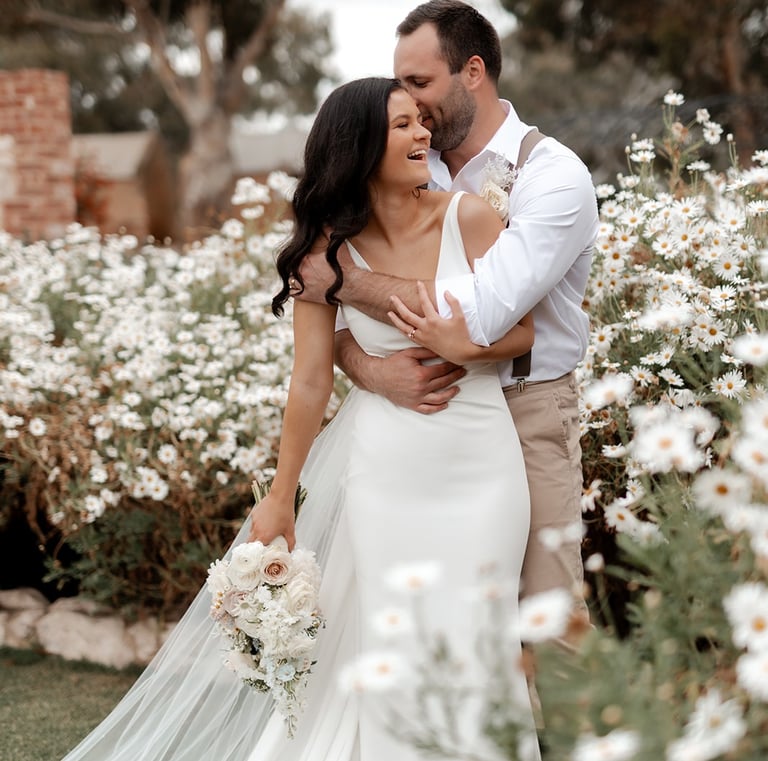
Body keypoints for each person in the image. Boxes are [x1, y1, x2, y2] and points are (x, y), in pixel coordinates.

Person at [58, 78, 539, 761]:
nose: (423, 135)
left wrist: (461, 343)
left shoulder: (472, 220)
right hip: (387, 469)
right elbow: (311, 378)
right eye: (403, 125)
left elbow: (524, 330)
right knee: (395, 635)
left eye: (421, 122)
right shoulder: (323, 250)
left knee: (477, 631)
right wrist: (281, 496)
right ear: (360, 146)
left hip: (483, 464)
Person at [295, 0, 599, 624]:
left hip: (527, 405)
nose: (410, 104)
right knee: (432, 620)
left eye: (419, 84)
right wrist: (371, 370)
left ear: (473, 72)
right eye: (400, 85)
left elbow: (481, 311)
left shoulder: (552, 176)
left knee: (547, 616)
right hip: (415, 415)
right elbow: (335, 321)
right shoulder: (402, 161)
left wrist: (345, 280)